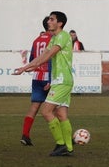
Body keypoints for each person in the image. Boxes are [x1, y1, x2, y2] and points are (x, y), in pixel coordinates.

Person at [13, 11, 74, 156]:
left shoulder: (63, 36)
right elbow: (41, 56)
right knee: (61, 114)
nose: (48, 21)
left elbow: (47, 55)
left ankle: (60, 145)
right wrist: (26, 67)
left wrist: (26, 67)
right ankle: (69, 148)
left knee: (46, 111)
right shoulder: (53, 39)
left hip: (61, 80)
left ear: (60, 23)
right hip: (60, 80)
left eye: (52, 19)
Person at [20, 16, 52, 146]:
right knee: (57, 109)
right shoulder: (53, 39)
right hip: (48, 77)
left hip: (36, 77)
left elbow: (32, 59)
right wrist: (50, 79)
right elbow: (50, 60)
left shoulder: (36, 40)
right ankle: (63, 139)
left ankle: (25, 135)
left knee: (34, 107)